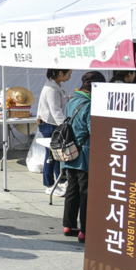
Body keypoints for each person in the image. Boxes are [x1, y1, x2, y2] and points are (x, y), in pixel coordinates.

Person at [62, 71, 105, 243]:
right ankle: (85, 231)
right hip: (84, 155)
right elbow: (93, 131)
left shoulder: (72, 101)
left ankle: (69, 225)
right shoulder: (89, 105)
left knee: (72, 190)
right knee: (86, 193)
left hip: (70, 152)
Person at [36, 69, 72, 196]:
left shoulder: (55, 85)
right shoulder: (52, 88)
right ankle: (49, 185)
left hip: (51, 124)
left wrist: (68, 98)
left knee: (56, 155)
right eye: (69, 74)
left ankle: (61, 181)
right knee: (51, 155)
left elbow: (58, 103)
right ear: (60, 73)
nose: (70, 77)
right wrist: (64, 126)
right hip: (50, 125)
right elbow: (55, 110)